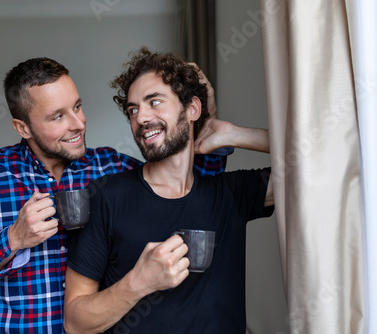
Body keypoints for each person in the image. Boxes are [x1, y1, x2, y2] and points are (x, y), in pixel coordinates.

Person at [0, 56, 231, 333]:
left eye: (77, 106)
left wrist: (208, 113)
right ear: (23, 127)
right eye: (57, 117)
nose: (78, 124)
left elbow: (192, 190)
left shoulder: (111, 167)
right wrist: (12, 239)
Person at [63, 47, 274, 334]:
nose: (141, 118)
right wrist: (139, 282)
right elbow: (75, 322)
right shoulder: (106, 197)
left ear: (192, 109)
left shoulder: (232, 194)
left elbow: (324, 160)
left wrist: (235, 134)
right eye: (133, 109)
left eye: (154, 102)